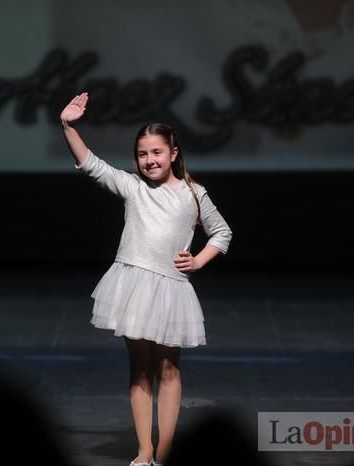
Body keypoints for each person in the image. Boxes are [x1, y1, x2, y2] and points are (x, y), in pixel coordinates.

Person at [60, 92, 232, 466]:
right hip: (134, 284)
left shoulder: (192, 193)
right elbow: (91, 165)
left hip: (170, 289)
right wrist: (67, 126)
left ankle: (166, 451)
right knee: (139, 368)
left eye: (156, 152)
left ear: (173, 153)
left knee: (169, 368)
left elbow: (222, 233)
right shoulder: (133, 187)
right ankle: (145, 451)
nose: (149, 160)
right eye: (142, 154)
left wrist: (199, 260)